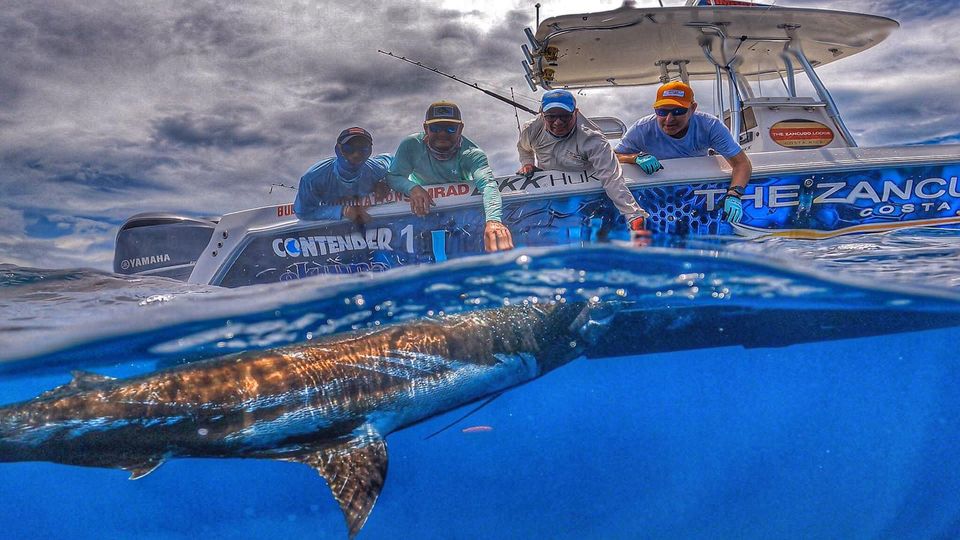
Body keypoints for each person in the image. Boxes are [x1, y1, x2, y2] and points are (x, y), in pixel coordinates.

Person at [614, 81, 753, 223]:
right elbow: (612, 156)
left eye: (677, 111)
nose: (669, 119)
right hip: (658, 194)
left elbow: (741, 163)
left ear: (692, 108)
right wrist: (635, 158)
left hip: (697, 191)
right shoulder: (642, 129)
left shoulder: (710, 126)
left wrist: (734, 195)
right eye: (662, 111)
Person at [387, 100, 514, 252]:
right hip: (422, 209)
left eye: (450, 128)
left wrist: (494, 221)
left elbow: (487, 184)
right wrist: (412, 188)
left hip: (460, 212)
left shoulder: (473, 154)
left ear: (460, 128)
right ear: (426, 128)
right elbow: (393, 176)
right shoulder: (410, 145)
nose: (442, 133)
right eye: (435, 128)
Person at [517, 89, 649, 230]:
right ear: (542, 114)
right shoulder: (531, 129)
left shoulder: (593, 139)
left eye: (564, 116)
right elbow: (524, 149)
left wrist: (633, 215)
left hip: (587, 194)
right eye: (551, 116)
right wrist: (528, 164)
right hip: (550, 190)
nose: (558, 122)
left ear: (576, 112)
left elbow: (611, 179)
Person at [293, 127, 392, 224]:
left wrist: (386, 180)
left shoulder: (376, 168)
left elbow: (391, 159)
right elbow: (303, 212)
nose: (356, 155)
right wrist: (342, 211)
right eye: (348, 148)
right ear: (337, 149)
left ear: (370, 151)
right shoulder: (313, 178)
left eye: (364, 149)